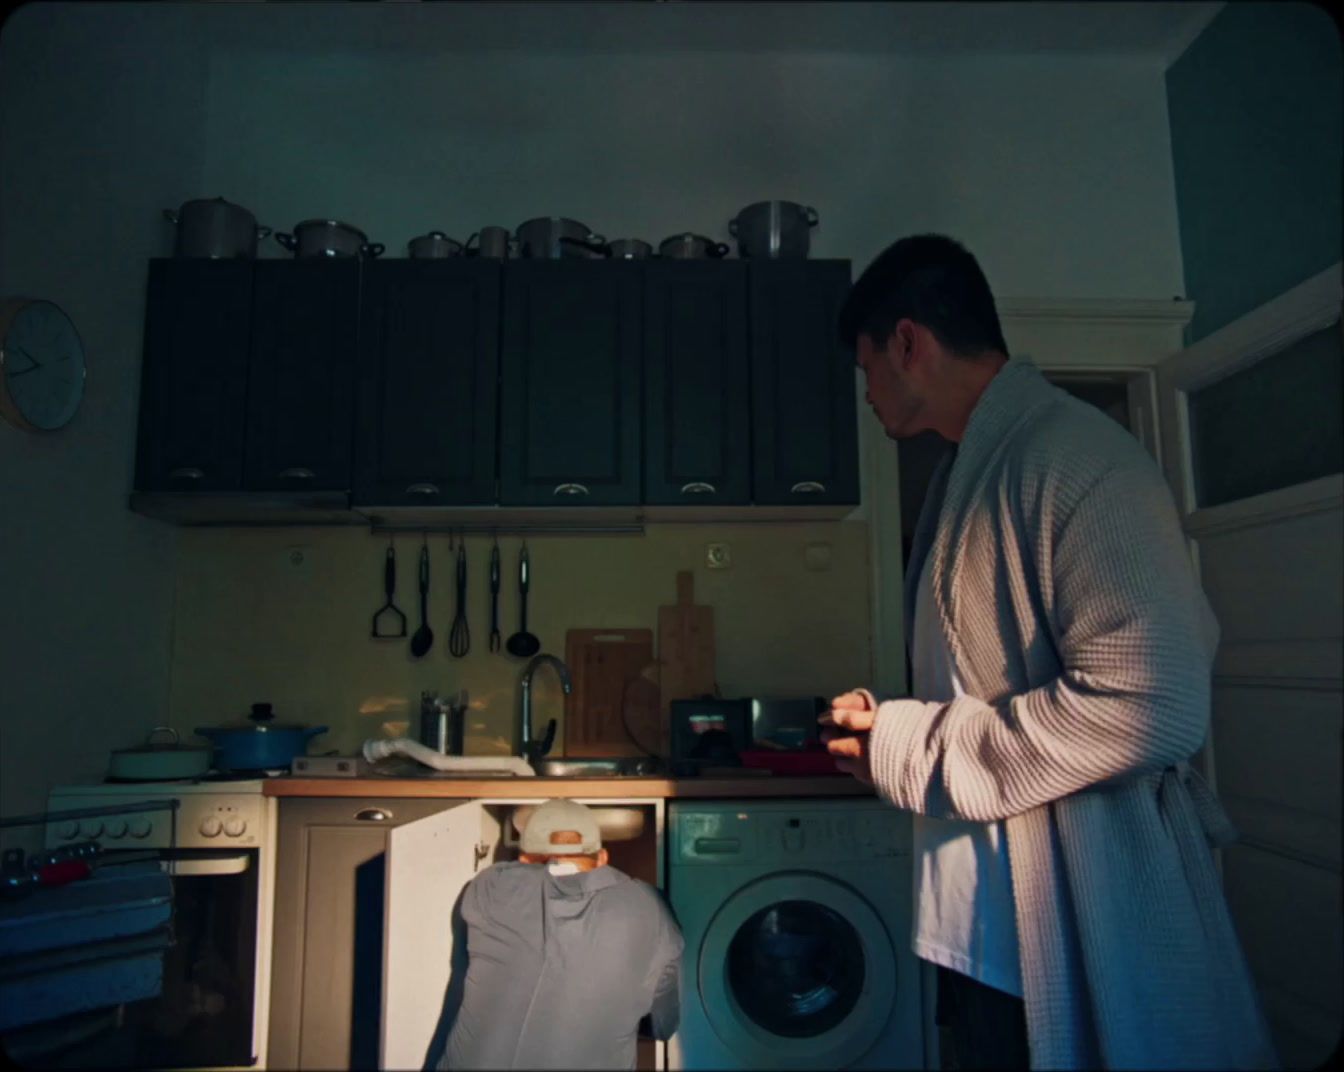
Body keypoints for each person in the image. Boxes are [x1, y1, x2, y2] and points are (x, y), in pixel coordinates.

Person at [819, 234, 1278, 1070]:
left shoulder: (1076, 457)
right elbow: (984, 688)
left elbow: (1153, 704)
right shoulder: (974, 473)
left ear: (908, 342)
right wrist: (886, 733)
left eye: (866, 370)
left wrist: (915, 745)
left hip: (1056, 927)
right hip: (982, 929)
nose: (868, 394)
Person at [436, 798, 683, 1071]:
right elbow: (663, 1024)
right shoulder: (651, 908)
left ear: (523, 859)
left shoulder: (489, 887)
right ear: (602, 857)